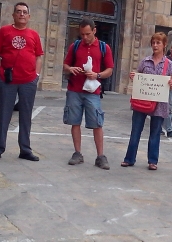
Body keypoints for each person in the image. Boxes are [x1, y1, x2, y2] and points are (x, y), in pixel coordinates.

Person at [0, 2, 44, 162]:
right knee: (4, 115)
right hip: (8, 80)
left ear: (28, 16)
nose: (21, 14)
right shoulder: (4, 31)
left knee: (26, 116)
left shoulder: (34, 34)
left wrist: (37, 75)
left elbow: (38, 56)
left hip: (28, 81)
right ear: (13, 15)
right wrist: (0, 73)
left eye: (24, 12)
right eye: (18, 11)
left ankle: (25, 149)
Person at [63, 18, 114, 170]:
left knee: (97, 123)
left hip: (93, 91)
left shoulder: (104, 48)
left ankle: (100, 156)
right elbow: (66, 64)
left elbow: (110, 70)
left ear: (94, 31)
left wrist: (97, 75)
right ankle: (77, 153)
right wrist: (70, 69)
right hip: (74, 90)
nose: (84, 37)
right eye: (82, 34)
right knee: (75, 122)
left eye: (87, 34)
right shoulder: (75, 46)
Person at [123, 32, 172, 170]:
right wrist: (133, 76)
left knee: (155, 132)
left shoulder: (169, 64)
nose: (155, 45)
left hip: (159, 104)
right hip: (142, 101)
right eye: (153, 42)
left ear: (164, 45)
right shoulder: (144, 61)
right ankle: (129, 159)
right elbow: (138, 77)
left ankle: (153, 161)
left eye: (158, 43)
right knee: (136, 130)